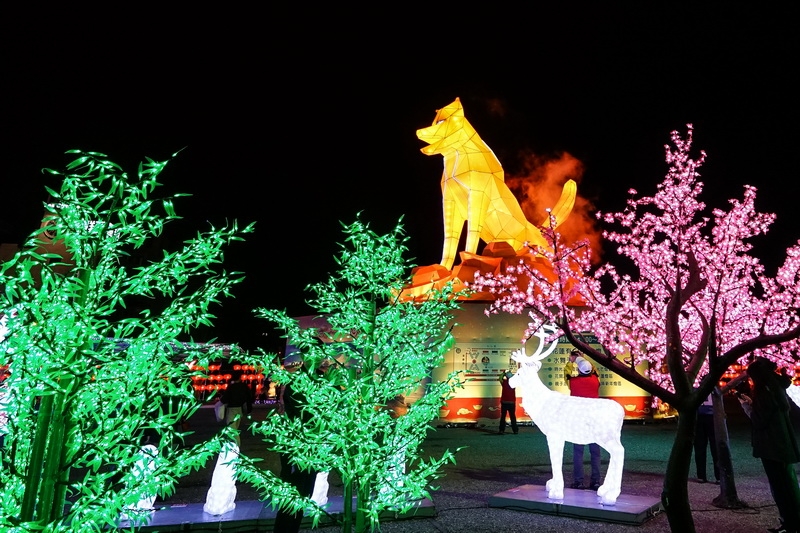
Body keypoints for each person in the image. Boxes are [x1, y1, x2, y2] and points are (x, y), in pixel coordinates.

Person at [738, 357, 800, 533]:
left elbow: (759, 420)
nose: (750, 382)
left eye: (751, 378)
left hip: (771, 446)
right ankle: (792, 522)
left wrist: (747, 407)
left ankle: (790, 524)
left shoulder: (764, 392)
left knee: (780, 487)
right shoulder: (776, 389)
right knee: (788, 485)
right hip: (782, 444)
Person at [274, 353, 318, 533]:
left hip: (309, 447)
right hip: (298, 447)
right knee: (293, 493)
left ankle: (291, 528)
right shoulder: (299, 381)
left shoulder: (317, 380)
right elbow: (301, 414)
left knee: (304, 493)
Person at [565, 349, 602, 490]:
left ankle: (578, 481)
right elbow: (594, 370)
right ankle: (596, 481)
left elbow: (566, 373)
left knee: (578, 453)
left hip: (578, 421)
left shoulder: (573, 382)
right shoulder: (595, 381)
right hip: (594, 421)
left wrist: (572, 360)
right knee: (595, 453)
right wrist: (583, 358)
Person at [693, 392, 719, 484]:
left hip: (700, 415)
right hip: (712, 415)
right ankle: (718, 476)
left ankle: (701, 475)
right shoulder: (714, 386)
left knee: (700, 447)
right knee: (715, 447)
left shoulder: (695, 386)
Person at [220, 370, 254, 436]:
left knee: (232, 429)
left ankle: (236, 444)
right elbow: (249, 398)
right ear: (240, 377)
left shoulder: (231, 387)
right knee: (234, 428)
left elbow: (224, 399)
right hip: (239, 409)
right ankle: (235, 444)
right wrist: (249, 410)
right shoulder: (244, 386)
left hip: (231, 409)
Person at [498, 370, 518, 434]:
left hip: (504, 402)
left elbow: (500, 378)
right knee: (512, 417)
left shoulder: (504, 382)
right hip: (512, 402)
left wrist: (503, 373)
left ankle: (501, 430)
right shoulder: (514, 383)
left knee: (503, 417)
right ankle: (515, 430)